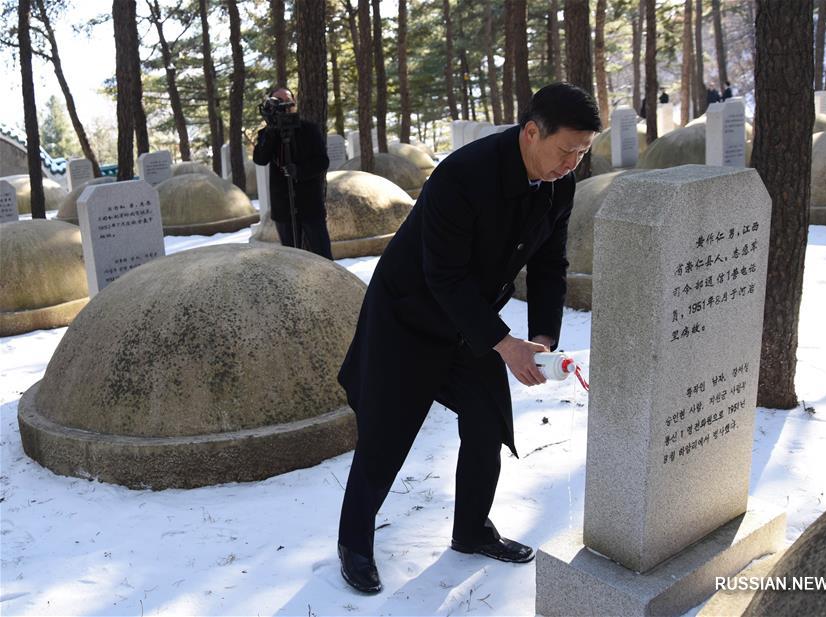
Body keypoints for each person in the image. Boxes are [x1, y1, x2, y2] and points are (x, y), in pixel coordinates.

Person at [336, 82, 601, 594]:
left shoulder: (558, 183)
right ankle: (355, 541)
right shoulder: (462, 175)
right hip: (408, 318)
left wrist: (543, 338)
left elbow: (549, 264)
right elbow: (444, 276)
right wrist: (505, 344)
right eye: (566, 149)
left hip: (473, 321)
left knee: (487, 421)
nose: (572, 163)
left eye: (582, 152)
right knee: (386, 434)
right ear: (530, 132)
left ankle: (472, 528)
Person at [252, 86, 333, 259]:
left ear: (294, 104)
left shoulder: (309, 129)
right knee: (291, 258)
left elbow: (322, 161)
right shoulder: (267, 133)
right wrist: (272, 133)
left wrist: (300, 171)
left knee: (322, 254)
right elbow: (260, 159)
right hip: (283, 206)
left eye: (287, 102)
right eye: (278, 102)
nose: (284, 107)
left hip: (309, 204)